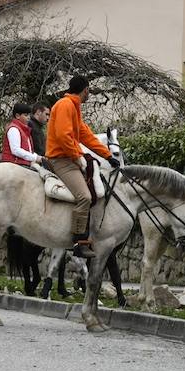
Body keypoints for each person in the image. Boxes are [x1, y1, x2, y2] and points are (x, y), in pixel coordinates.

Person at [47, 75, 120, 258]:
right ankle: (79, 241)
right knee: (85, 196)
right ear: (85, 90)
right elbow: (64, 136)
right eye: (89, 91)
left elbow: (85, 135)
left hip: (68, 158)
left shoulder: (73, 106)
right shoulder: (65, 105)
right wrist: (77, 156)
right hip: (61, 160)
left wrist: (107, 155)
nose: (89, 94)